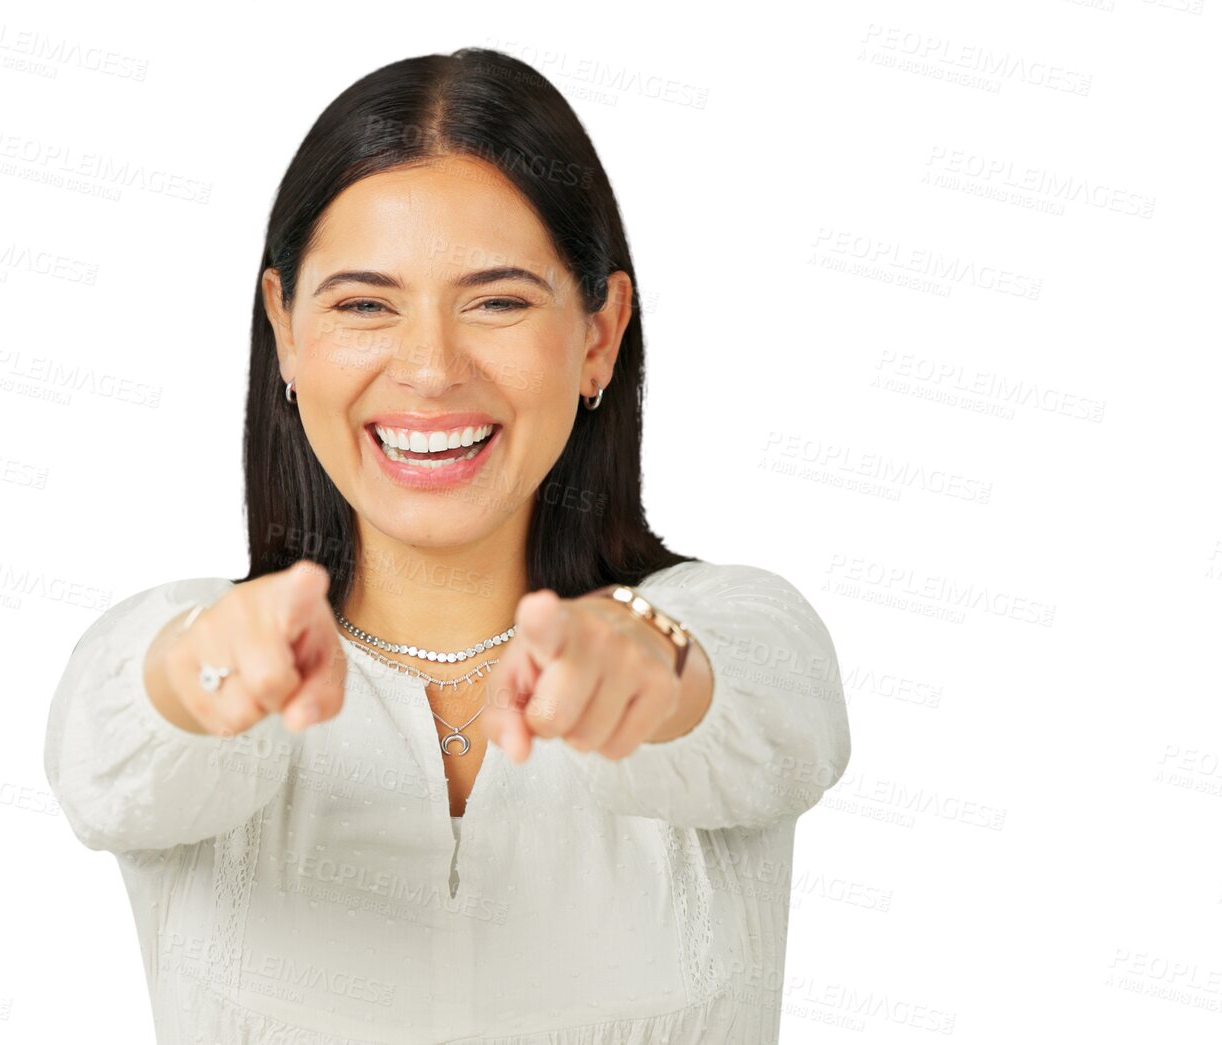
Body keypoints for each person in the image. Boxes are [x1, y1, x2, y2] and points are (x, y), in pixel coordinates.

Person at [43, 46, 851, 1044]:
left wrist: (645, 655)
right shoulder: (192, 646)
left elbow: (755, 706)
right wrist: (206, 665)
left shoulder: (740, 625)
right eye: (363, 304)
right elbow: (116, 747)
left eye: (498, 299)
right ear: (285, 330)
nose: (429, 369)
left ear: (599, 333)